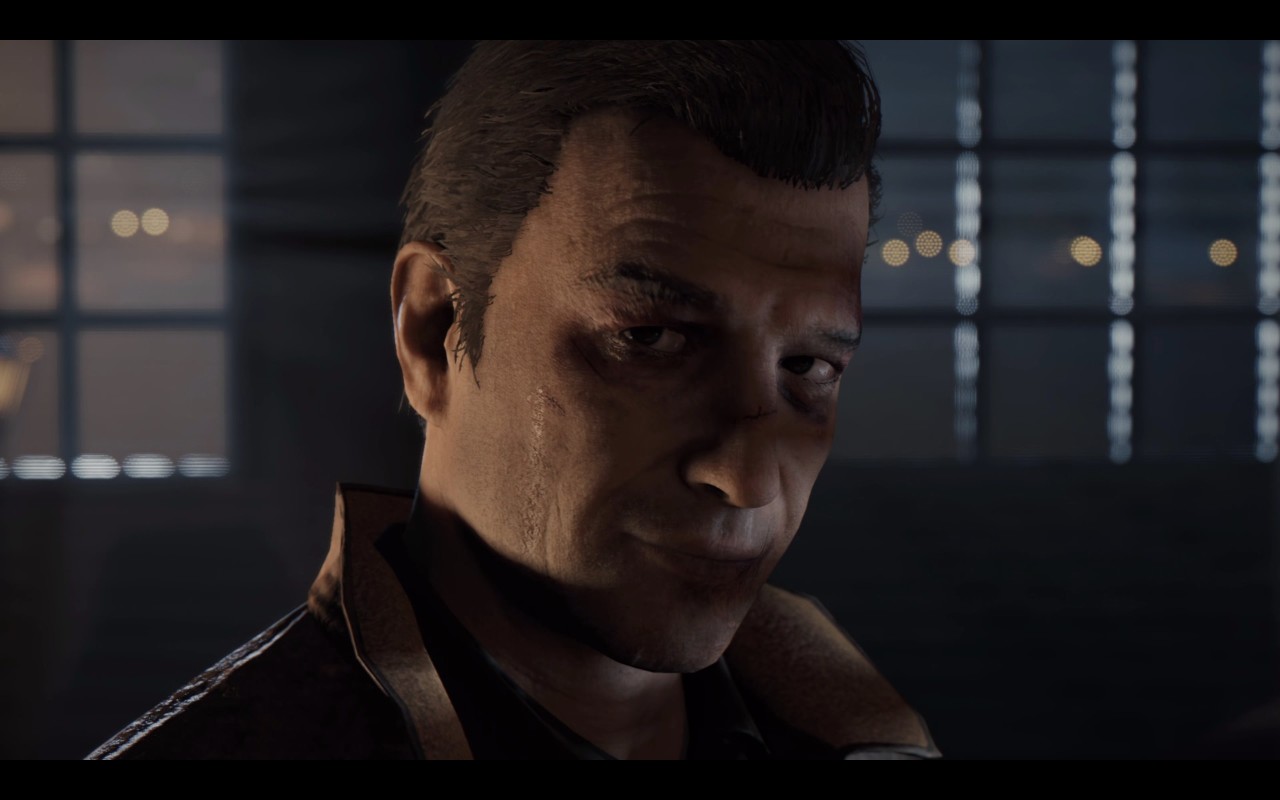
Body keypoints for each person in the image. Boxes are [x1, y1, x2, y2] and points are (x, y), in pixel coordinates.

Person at [88, 40, 940, 760]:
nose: (749, 479)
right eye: (650, 339)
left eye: (809, 367)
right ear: (434, 333)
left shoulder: (854, 732)